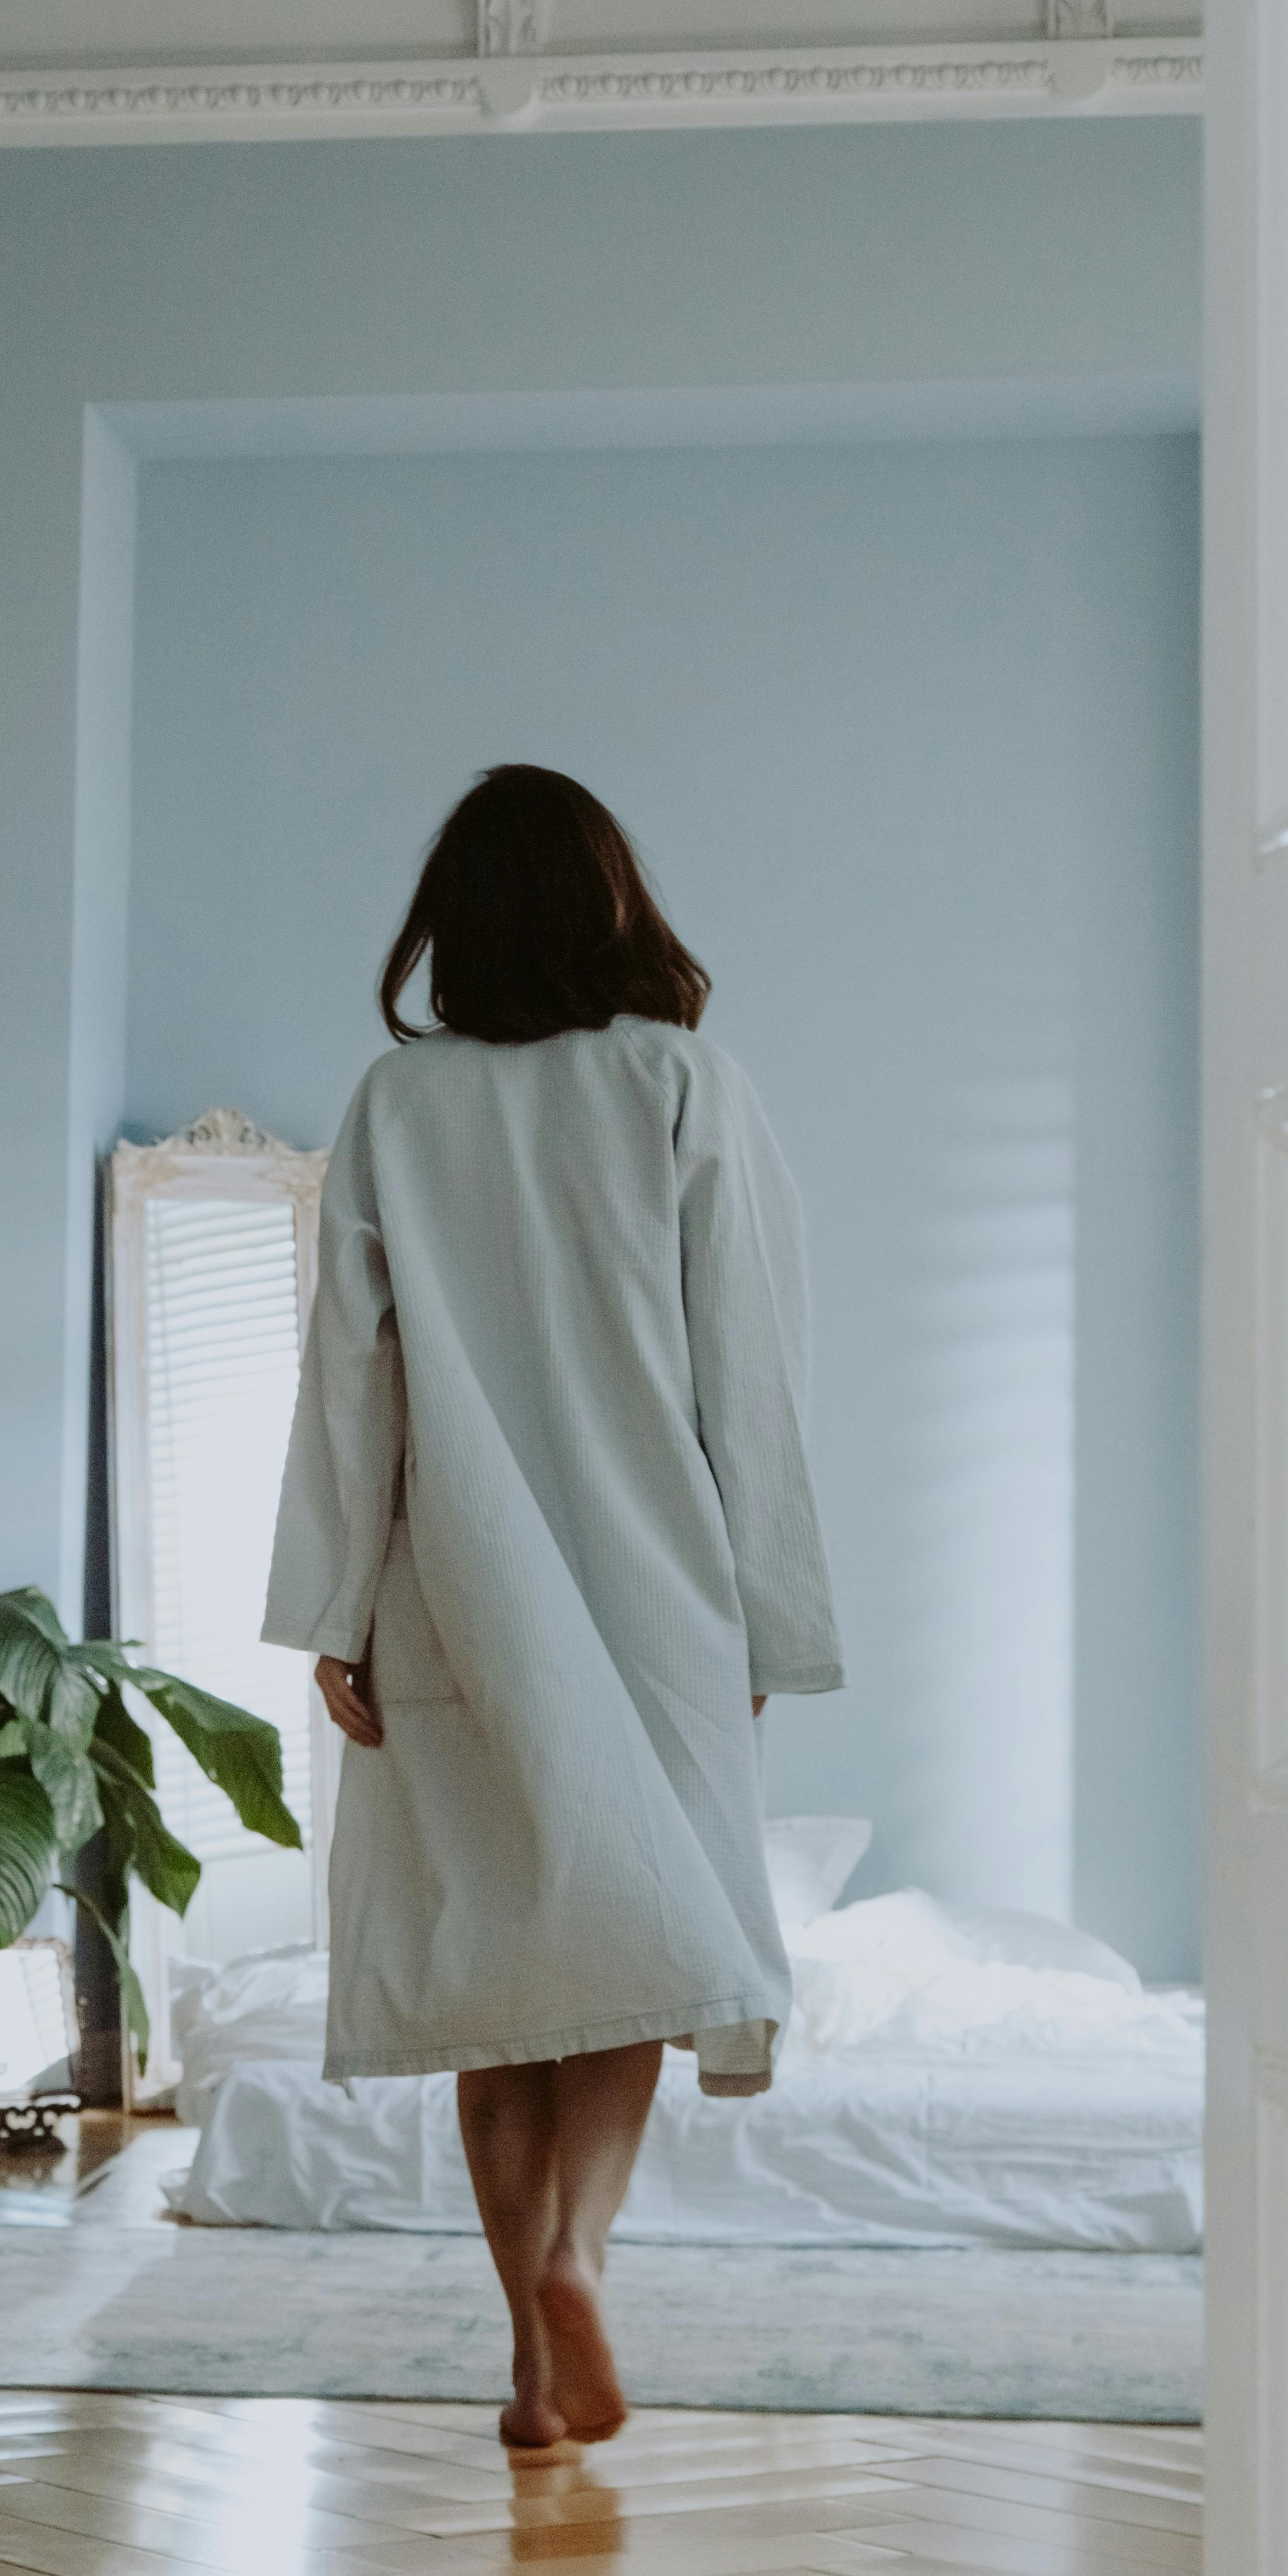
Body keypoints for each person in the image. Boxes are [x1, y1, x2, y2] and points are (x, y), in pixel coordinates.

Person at [263, 765, 842, 2454]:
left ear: (451, 921)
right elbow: (751, 1366)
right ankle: (585, 2254)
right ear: (612, 903)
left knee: (493, 1971)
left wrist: (336, 1606)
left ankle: (530, 2351)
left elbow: (351, 1374)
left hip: (453, 1590)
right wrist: (768, 1618)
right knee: (631, 1952)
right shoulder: (682, 1081)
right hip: (660, 1590)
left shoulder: (397, 1103)